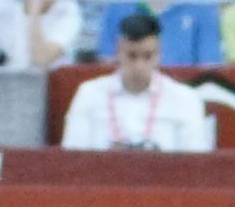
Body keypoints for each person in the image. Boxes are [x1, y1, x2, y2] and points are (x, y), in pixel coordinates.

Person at [62, 10, 212, 150]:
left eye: (147, 56)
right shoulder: (89, 94)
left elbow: (195, 163)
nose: (139, 66)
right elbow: (73, 156)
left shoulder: (184, 99)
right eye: (132, 56)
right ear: (118, 52)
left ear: (159, 54)